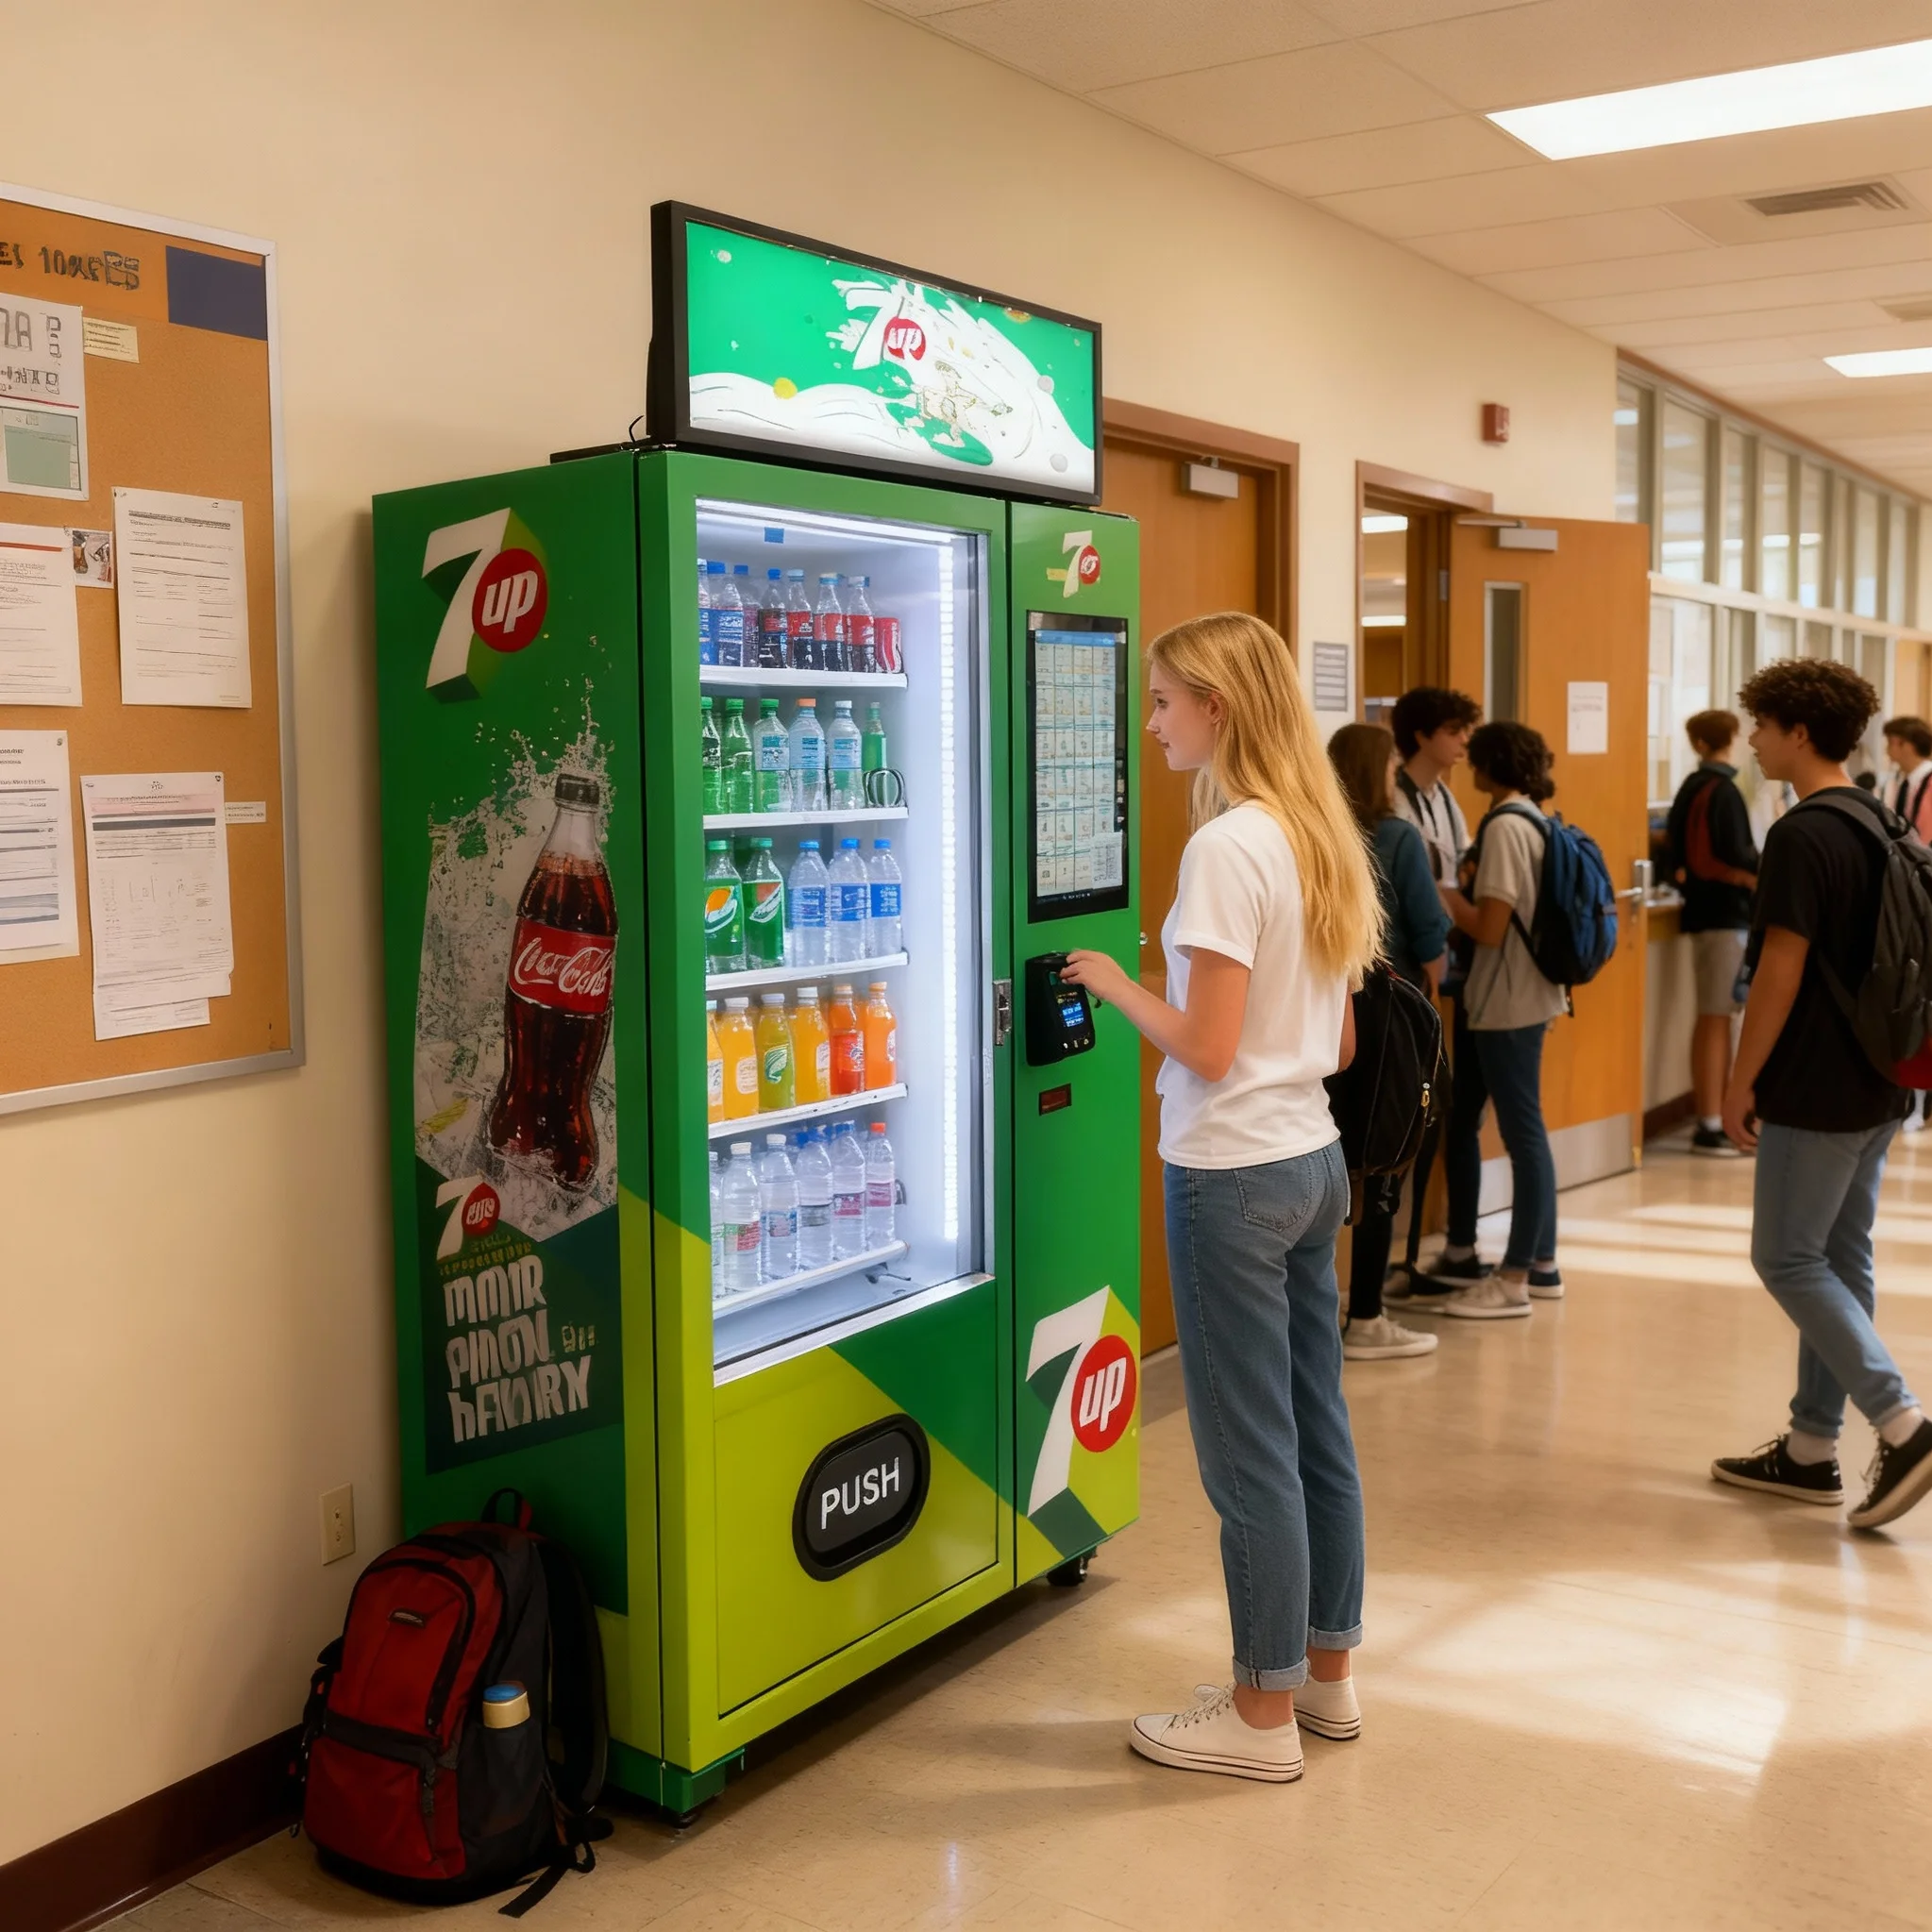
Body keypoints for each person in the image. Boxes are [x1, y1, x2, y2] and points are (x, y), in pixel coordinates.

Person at [1061, 612, 1383, 1783]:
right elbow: (1333, 1038)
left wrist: (1109, 983)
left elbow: (1202, 1046)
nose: (1149, 725)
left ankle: (1256, 1720)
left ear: (1219, 709)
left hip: (1230, 1177)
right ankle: (1323, 1683)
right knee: (1315, 1430)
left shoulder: (1223, 848)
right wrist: (1172, 987)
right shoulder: (1316, 836)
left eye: (1162, 703)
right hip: (1308, 1161)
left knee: (1245, 1452)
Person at [1712, 660, 1932, 1531]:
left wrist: (1738, 1082)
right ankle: (1810, 1449)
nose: (1756, 741)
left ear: (1797, 731)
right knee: (1841, 1258)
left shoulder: (1803, 833)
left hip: (1816, 1083)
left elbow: (1778, 971)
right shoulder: (1881, 817)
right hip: (1882, 1075)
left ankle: (1903, 1422)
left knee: (1787, 1258)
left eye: (1761, 726)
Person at [1423, 722, 1567, 1318]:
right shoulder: (1533, 816)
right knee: (1476, 1120)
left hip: (1510, 1002)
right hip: (1507, 1000)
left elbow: (1489, 925)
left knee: (1523, 1134)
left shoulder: (1507, 825)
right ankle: (1523, 1261)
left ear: (1492, 765)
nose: (1466, 764)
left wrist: (1439, 890)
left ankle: (1517, 1278)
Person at [1327, 721, 1448, 1362]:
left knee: (1329, 1155)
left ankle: (1322, 1306)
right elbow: (1430, 939)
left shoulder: (1313, 836)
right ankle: (1367, 1312)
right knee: (1382, 1160)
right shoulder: (1398, 837)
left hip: (1323, 1015)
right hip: (1387, 1019)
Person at [1382, 685, 1481, 1304]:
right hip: (1414, 971)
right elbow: (1428, 885)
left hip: (1441, 962)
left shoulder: (1444, 797)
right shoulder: (1394, 801)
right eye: (1453, 730)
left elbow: (1454, 870)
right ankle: (1398, 1253)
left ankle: (1424, 1245)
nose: (1462, 742)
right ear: (1421, 735)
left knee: (1440, 1109)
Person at [1663, 710, 1759, 1157]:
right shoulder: (1719, 790)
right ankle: (1710, 1121)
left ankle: (1714, 1116)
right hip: (1723, 915)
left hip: (1708, 914)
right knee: (1717, 1017)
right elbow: (1729, 855)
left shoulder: (1695, 787)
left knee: (1714, 1017)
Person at [1882, 714, 1932, 838]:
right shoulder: (1899, 781)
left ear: (1908, 745)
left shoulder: (1929, 782)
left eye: (1890, 742)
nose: (1887, 749)